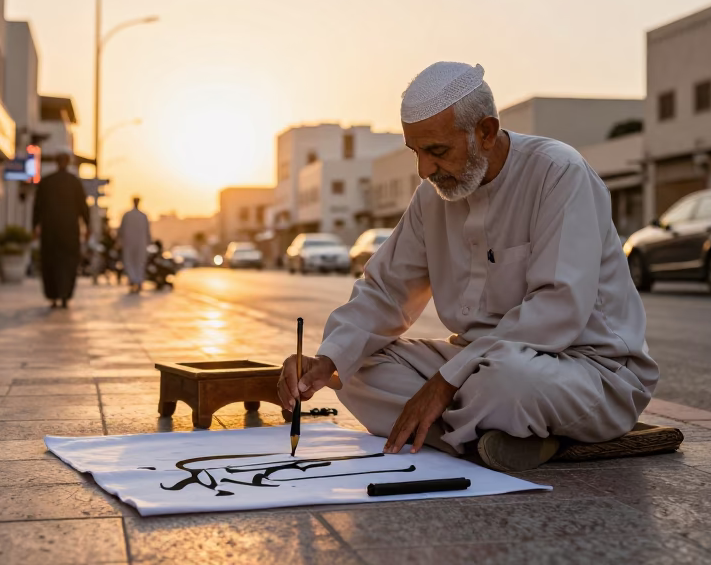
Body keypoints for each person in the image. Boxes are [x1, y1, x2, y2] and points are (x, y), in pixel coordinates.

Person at [277, 62, 659, 472]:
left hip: (587, 369)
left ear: (486, 132)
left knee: (510, 382)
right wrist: (327, 361)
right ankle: (497, 439)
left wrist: (446, 383)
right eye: (416, 153)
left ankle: (460, 431)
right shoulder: (432, 196)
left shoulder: (558, 173)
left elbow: (558, 309)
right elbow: (387, 291)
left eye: (437, 151)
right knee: (359, 368)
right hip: (477, 366)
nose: (424, 170)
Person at [33, 152, 89, 308]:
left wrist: (34, 226)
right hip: (68, 231)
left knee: (52, 262)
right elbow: (84, 208)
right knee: (66, 263)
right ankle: (63, 294)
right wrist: (88, 226)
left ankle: (55, 296)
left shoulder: (47, 182)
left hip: (51, 231)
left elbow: (37, 208)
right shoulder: (74, 182)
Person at [119, 196, 151, 294]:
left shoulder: (130, 215)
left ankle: (135, 280)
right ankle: (136, 280)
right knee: (136, 262)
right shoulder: (141, 216)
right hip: (135, 243)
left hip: (134, 243)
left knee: (134, 262)